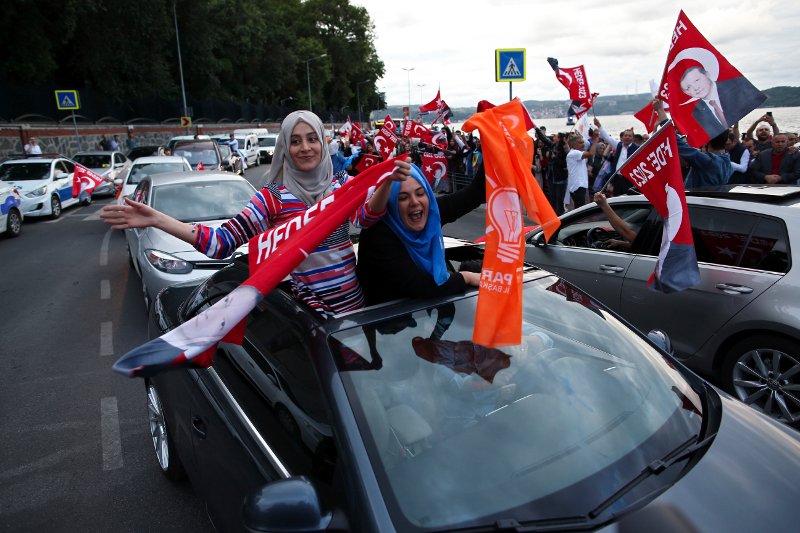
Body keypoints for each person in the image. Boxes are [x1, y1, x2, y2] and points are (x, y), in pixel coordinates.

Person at [101, 110, 410, 318]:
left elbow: (366, 218)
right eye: (295, 141)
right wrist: (158, 219)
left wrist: (386, 181)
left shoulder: (341, 183)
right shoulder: (272, 197)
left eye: (312, 138)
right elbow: (220, 243)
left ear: (322, 141)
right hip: (311, 315)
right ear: (285, 148)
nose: (305, 147)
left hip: (356, 306)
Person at [356, 162, 486, 306]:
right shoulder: (378, 235)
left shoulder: (432, 212)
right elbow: (422, 286)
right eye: (403, 197)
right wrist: (466, 277)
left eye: (420, 193)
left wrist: (490, 150)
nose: (414, 202)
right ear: (390, 202)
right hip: (385, 318)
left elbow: (476, 193)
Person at [654, 99, 732, 188]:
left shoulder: (708, 161)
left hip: (695, 197)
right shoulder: (727, 162)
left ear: (708, 140)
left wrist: (661, 112)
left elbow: (678, 143)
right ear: (726, 140)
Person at [678, 66, 765, 140]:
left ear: (707, 75)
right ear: (686, 92)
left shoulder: (737, 88)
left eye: (697, 80)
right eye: (688, 87)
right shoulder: (696, 114)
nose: (695, 87)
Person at [594, 118, 639, 195]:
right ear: (622, 137)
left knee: (628, 198)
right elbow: (607, 137)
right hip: (617, 178)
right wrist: (599, 126)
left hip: (629, 179)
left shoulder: (637, 148)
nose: (627, 137)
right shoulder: (619, 145)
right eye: (625, 135)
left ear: (633, 138)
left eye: (629, 136)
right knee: (617, 197)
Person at [566, 130, 600, 209]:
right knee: (580, 209)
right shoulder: (574, 153)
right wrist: (595, 140)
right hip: (578, 186)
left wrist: (581, 135)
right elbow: (591, 154)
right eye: (580, 143)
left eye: (583, 142)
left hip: (580, 185)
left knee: (581, 208)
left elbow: (587, 144)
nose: (583, 144)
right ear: (574, 145)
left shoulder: (578, 152)